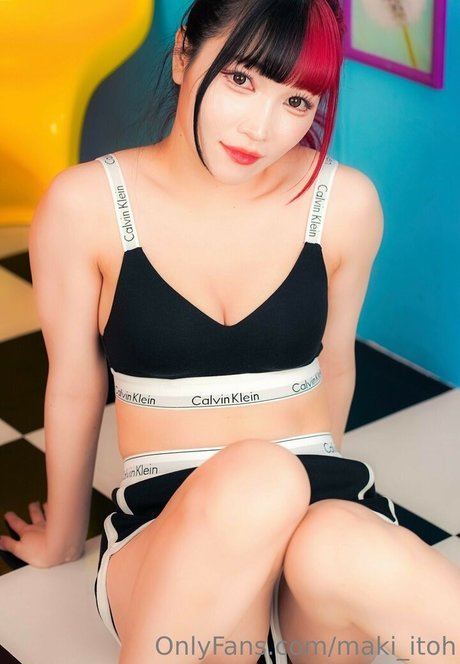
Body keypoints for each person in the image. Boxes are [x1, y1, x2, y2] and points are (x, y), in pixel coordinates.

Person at [1, 0, 460, 663]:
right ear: (183, 54)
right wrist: (65, 536)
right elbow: (74, 384)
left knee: (334, 537)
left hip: (319, 533)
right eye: (241, 79)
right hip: (168, 531)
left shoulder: (344, 203)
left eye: (297, 101)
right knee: (260, 479)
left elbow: (335, 363)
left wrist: (310, 502)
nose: (261, 129)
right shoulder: (86, 205)